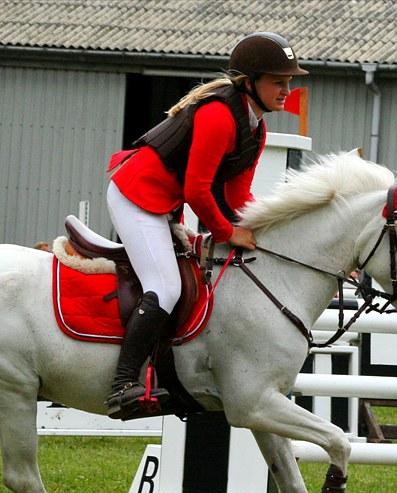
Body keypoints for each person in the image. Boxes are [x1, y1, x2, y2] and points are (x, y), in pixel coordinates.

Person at [104, 32, 309, 417]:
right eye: (278, 82)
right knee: (164, 286)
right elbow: (198, 191)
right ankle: (124, 383)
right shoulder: (218, 115)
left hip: (164, 203)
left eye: (290, 81)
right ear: (250, 83)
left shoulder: (256, 127)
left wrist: (268, 238)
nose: (287, 89)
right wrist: (229, 233)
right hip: (137, 195)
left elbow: (237, 198)